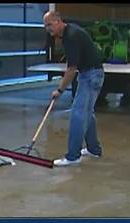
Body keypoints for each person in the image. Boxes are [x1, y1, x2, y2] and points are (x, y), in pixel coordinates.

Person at [43, 11, 105, 166]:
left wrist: (60, 90)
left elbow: (71, 69)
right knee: (87, 113)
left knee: (78, 114)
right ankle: (93, 149)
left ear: (58, 21)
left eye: (49, 24)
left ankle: (73, 156)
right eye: (45, 26)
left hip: (91, 75)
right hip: (90, 74)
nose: (47, 29)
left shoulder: (71, 36)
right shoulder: (68, 33)